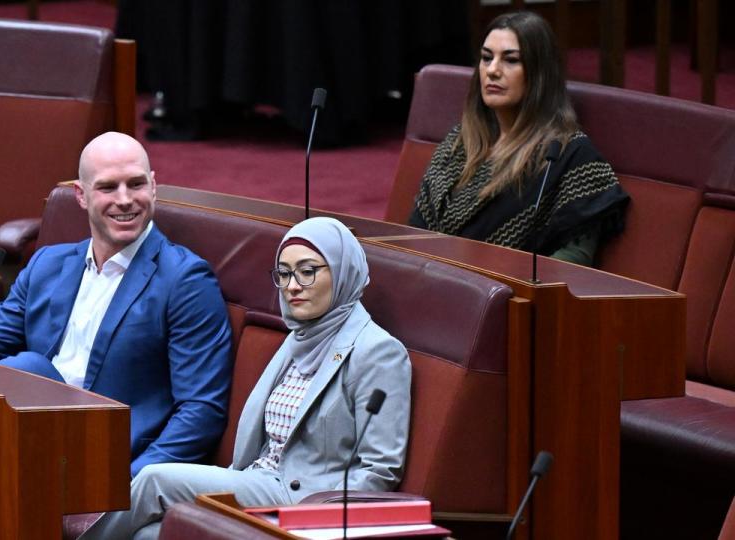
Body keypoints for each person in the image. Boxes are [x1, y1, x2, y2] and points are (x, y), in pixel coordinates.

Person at [83, 217, 412, 540]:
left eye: (308, 272)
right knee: (149, 534)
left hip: (299, 501)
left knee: (154, 479)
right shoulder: (300, 338)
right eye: (284, 274)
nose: (293, 286)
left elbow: (380, 468)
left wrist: (317, 518)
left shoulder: (378, 352)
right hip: (258, 481)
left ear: (342, 272)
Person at [0, 132, 233, 477]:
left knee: (27, 370)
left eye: (135, 184)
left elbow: (201, 410)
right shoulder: (48, 265)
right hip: (27, 432)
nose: (125, 200)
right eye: (108, 187)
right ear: (81, 195)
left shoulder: (184, 280)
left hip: (109, 454)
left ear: (153, 187)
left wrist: (133, 483)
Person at [408, 11, 629, 266]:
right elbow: (414, 234)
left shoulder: (571, 156)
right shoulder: (459, 142)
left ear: (540, 73)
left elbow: (570, 268)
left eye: (511, 60)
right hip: (432, 284)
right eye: (486, 58)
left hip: (508, 299)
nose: (492, 71)